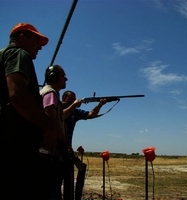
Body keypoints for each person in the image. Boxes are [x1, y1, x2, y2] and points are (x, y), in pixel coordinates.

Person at [0, 23, 58, 200]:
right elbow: (17, 95)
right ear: (22, 38)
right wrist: (49, 128)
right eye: (36, 40)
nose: (40, 46)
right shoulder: (18, 53)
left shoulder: (4, 55)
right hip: (16, 148)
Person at [61, 90, 107, 200]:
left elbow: (91, 114)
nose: (73, 101)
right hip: (56, 147)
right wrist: (73, 105)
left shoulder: (75, 112)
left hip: (67, 149)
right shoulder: (58, 108)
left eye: (74, 99)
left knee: (68, 180)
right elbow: (61, 116)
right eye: (70, 99)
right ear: (64, 99)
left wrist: (100, 105)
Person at [40, 65, 70, 200]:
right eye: (63, 76)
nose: (66, 79)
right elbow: (50, 116)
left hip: (48, 150)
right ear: (54, 77)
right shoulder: (50, 93)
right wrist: (62, 139)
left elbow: (58, 116)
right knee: (51, 191)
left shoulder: (51, 93)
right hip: (49, 152)